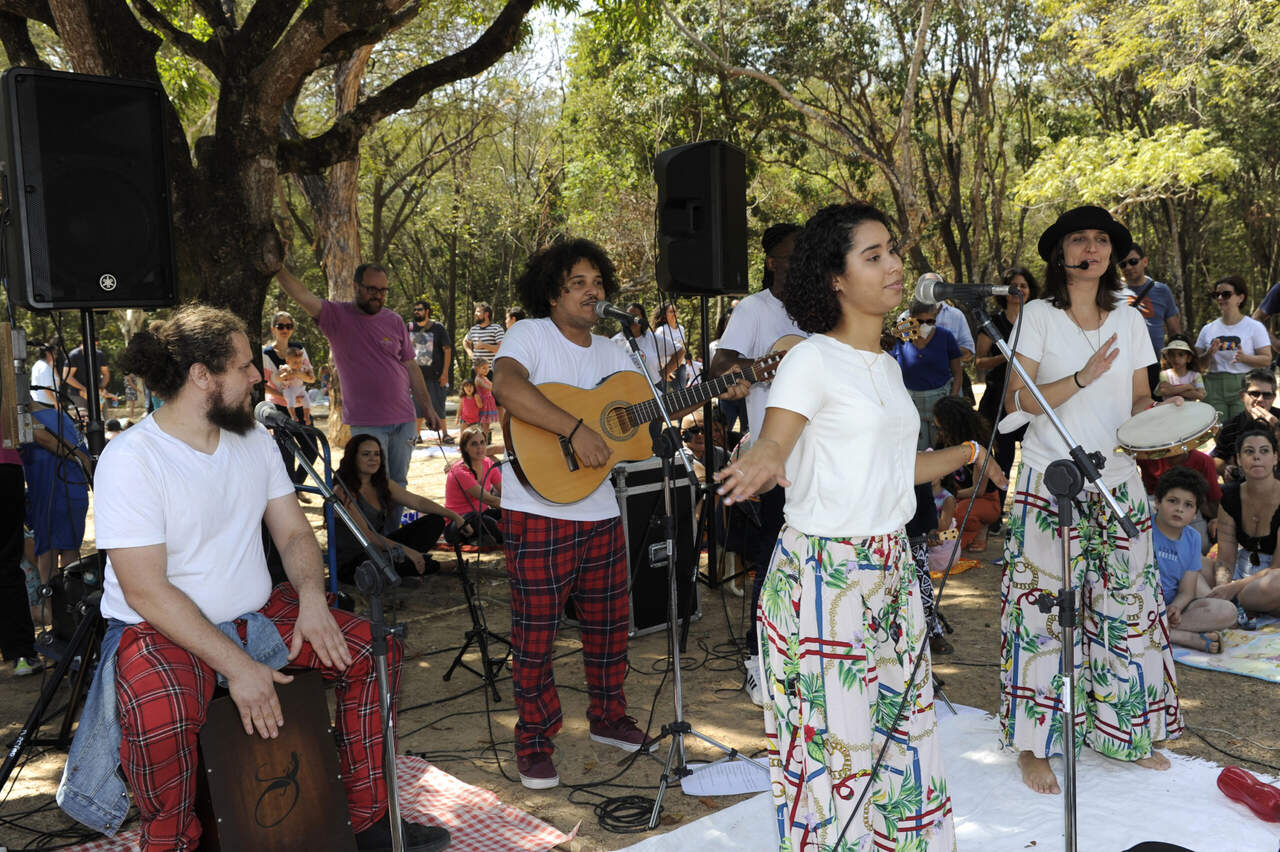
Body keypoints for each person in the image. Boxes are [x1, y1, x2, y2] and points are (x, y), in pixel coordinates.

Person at [58, 304, 449, 852]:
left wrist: (312, 599)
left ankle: (365, 822)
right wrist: (239, 669)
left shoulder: (255, 440)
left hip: (258, 614)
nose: (257, 377)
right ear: (201, 376)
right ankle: (172, 842)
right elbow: (146, 590)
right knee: (162, 706)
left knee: (372, 652)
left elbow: (293, 535)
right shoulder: (132, 457)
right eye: (243, 366)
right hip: (160, 629)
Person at [716, 202, 1006, 851]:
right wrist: (761, 461)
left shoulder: (882, 366)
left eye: (892, 251)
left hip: (892, 571)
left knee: (900, 740)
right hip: (826, 579)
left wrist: (966, 455)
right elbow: (775, 439)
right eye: (873, 255)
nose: (894, 265)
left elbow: (893, 466)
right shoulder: (809, 359)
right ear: (836, 279)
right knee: (839, 758)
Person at [492, 238, 748, 790]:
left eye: (597, 282)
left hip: (600, 508)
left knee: (610, 625)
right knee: (535, 635)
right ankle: (534, 741)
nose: (592, 291)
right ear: (551, 291)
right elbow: (507, 388)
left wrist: (721, 387)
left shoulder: (615, 351)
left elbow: (646, 415)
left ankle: (609, 717)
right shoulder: (529, 335)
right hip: (536, 507)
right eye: (578, 282)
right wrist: (575, 428)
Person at [999, 204, 1182, 795]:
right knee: (1044, 612)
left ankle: (1124, 729)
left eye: (1102, 240)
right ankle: (1034, 744)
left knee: (1125, 608)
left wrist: (1165, 419)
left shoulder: (1130, 318)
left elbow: (1136, 400)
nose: (1093, 248)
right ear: (1061, 252)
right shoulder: (1037, 314)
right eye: (1080, 239)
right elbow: (1015, 405)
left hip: (1119, 477)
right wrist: (1079, 376)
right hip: (1053, 481)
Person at [708, 222, 808, 703]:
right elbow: (720, 359)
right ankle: (757, 658)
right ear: (772, 261)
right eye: (793, 256)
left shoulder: (822, 308)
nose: (802, 263)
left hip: (823, 457)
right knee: (772, 558)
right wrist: (734, 373)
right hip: (775, 461)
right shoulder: (755, 308)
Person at [276, 262, 443, 505]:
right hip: (367, 423)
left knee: (399, 484)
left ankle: (393, 539)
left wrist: (428, 407)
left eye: (383, 290)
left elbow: (410, 365)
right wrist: (279, 267)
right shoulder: (336, 316)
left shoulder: (395, 320)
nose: (378, 295)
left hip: (404, 420)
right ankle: (372, 540)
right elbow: (302, 295)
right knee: (370, 486)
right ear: (355, 286)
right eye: (372, 289)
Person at [331, 433, 468, 584]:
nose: (373, 459)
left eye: (377, 454)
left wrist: (454, 516)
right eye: (366, 454)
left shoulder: (381, 483)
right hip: (354, 562)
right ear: (353, 458)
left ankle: (410, 566)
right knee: (394, 561)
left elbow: (417, 502)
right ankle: (438, 566)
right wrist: (407, 551)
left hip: (380, 551)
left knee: (434, 521)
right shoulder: (342, 491)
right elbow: (367, 536)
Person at [1151, 468, 1235, 654]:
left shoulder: (1193, 538)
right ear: (1157, 502)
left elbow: (1187, 591)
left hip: (1170, 610)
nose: (1180, 509)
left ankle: (1162, 631)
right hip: (1141, 606)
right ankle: (1183, 637)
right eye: (1172, 501)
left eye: (1188, 505)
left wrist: (1176, 607)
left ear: (1196, 513)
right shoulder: (1144, 530)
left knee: (1228, 611)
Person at [975, 267, 1038, 506]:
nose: (1018, 290)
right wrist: (1006, 356)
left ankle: (1029, 506)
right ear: (1004, 291)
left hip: (1029, 398)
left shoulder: (1036, 321)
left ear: (1030, 291)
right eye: (1013, 286)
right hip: (998, 399)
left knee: (1033, 454)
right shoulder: (992, 323)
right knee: (1003, 457)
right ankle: (996, 511)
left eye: (1023, 286)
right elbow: (978, 361)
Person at [21, 400, 92, 610]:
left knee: (49, 553)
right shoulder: (60, 415)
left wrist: (79, 457)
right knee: (69, 553)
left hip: (53, 491)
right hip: (74, 489)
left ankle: (52, 609)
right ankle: (69, 609)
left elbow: (45, 439)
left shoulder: (26, 416)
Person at [1209, 429, 1280, 619]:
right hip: (1242, 569)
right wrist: (1222, 586)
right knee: (1195, 565)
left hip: (1271, 576)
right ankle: (1244, 607)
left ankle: (1240, 606)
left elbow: (1276, 568)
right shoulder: (1230, 496)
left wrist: (1232, 589)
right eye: (1249, 451)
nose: (1257, 457)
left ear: (1275, 458)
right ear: (1239, 459)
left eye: (1264, 451)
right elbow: (1225, 558)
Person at [1195, 275, 1271, 421]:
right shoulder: (1207, 329)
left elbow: (1267, 359)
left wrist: (1245, 358)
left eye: (1226, 294)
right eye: (1216, 294)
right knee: (1220, 433)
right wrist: (1208, 354)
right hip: (1213, 385)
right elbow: (1197, 364)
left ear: (1240, 298)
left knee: (1242, 431)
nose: (1220, 298)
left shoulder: (1254, 327)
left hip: (1245, 385)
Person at [893, 299, 964, 450]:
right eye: (919, 321)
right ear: (911, 318)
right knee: (916, 451)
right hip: (911, 404)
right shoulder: (901, 336)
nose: (925, 325)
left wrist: (953, 399)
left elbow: (957, 373)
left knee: (942, 450)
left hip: (940, 402)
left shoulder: (945, 337)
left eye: (930, 321)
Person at [932, 396, 1000, 551]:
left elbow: (979, 490)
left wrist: (948, 496)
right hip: (958, 497)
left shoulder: (978, 447)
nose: (939, 432)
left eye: (942, 428)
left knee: (956, 515)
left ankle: (981, 529)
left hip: (985, 500)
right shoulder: (944, 441)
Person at [2, 418, 41, 676]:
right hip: (4, 466)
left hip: (6, 464)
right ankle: (21, 654)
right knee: (6, 563)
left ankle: (21, 653)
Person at [1118, 243, 1182, 392]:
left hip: (1154, 363)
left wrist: (1177, 361)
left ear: (1144, 261)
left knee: (1156, 408)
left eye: (1133, 261)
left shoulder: (1162, 290)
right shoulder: (1112, 293)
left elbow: (1174, 330)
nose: (1128, 267)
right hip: (1124, 363)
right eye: (1123, 264)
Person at [1212, 369, 1280, 480]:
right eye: (1254, 394)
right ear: (1242, 396)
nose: (1260, 399)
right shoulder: (1230, 426)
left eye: (1267, 395)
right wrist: (1226, 468)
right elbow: (1218, 457)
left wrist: (1276, 430)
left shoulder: (1277, 421)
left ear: (1273, 398)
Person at [444, 425, 501, 544]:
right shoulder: (460, 471)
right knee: (486, 522)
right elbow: (490, 500)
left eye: (482, 442)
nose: (480, 447)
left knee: (504, 515)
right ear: (465, 448)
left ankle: (481, 538)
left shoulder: (488, 463)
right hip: (459, 522)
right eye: (474, 444)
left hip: (482, 514)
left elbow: (504, 491)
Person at [408, 300, 454, 443]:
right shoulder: (409, 327)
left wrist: (445, 373)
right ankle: (417, 435)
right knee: (416, 406)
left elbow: (447, 350)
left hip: (435, 376)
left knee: (439, 404)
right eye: (415, 309)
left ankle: (445, 434)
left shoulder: (438, 328)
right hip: (415, 376)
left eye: (419, 309)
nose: (416, 312)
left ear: (427, 311)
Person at [609, 302, 663, 385]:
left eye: (636, 316)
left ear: (642, 319)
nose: (632, 319)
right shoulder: (615, 342)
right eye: (629, 315)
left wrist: (665, 372)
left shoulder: (652, 337)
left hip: (655, 386)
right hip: (628, 391)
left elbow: (680, 350)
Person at [63, 340, 110, 418]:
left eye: (95, 345)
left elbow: (106, 374)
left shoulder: (99, 354)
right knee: (83, 420)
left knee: (103, 418)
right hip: (78, 394)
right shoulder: (74, 355)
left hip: (97, 393)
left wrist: (101, 387)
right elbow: (67, 376)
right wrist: (84, 389)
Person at [1154, 335, 1205, 401]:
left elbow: (1201, 396)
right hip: (1169, 410)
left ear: (1189, 358)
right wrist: (1188, 387)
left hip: (1190, 410)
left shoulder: (1196, 375)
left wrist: (1172, 389)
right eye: (1172, 354)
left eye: (1181, 355)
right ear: (1168, 357)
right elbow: (1165, 391)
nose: (1176, 358)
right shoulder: (1164, 374)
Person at [651, 301, 688, 391]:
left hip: (680, 366)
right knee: (665, 396)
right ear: (664, 315)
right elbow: (657, 352)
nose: (674, 314)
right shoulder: (661, 330)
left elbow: (682, 347)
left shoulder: (681, 328)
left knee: (681, 395)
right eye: (671, 312)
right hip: (666, 367)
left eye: (675, 311)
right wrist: (666, 370)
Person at [463, 301, 505, 368]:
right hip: (476, 370)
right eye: (475, 311)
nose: (475, 314)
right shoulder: (473, 329)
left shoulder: (497, 328)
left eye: (478, 311)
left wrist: (484, 345)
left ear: (486, 314)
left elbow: (502, 349)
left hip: (491, 370)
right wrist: (471, 354)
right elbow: (465, 341)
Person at [280, 342, 313, 425]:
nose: (298, 365)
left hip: (300, 389)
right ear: (288, 361)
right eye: (295, 362)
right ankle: (293, 415)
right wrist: (285, 375)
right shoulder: (286, 368)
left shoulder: (302, 368)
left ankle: (306, 416)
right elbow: (281, 376)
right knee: (290, 400)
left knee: (307, 400)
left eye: (300, 362)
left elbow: (308, 370)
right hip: (289, 389)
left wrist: (310, 375)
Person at [473, 359, 499, 438]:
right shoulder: (479, 379)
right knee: (485, 426)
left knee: (486, 425)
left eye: (488, 367)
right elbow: (490, 387)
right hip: (484, 403)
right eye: (484, 368)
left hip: (488, 402)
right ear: (477, 368)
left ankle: (486, 441)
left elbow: (492, 384)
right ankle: (485, 442)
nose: (487, 370)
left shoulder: (484, 377)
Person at [30, 341, 57, 406]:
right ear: (47, 353)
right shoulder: (44, 367)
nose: (56, 356)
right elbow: (46, 388)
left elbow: (57, 381)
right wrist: (56, 403)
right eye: (55, 353)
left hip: (44, 402)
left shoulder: (41, 364)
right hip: (44, 404)